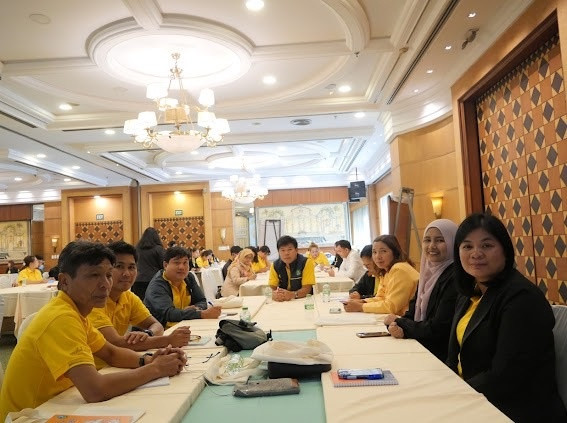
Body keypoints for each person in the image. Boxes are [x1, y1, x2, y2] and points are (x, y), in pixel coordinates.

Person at [0, 241, 186, 421]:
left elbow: (111, 353)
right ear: (64, 281)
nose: (105, 284)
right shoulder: (61, 317)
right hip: (30, 415)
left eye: (108, 275)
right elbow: (95, 390)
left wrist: (149, 360)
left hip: (58, 404)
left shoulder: (77, 312)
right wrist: (155, 369)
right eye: (94, 275)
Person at [446, 213, 567, 422]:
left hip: (512, 410)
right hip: (475, 399)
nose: (476, 253)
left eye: (486, 245)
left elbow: (506, 376)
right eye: (467, 246)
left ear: (505, 250)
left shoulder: (522, 298)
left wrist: (454, 394)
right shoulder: (470, 294)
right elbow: (454, 355)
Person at [88, 241, 192, 354]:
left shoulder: (129, 297)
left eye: (131, 267)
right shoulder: (94, 300)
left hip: (119, 360)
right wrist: (168, 340)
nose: (126, 274)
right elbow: (115, 343)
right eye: (119, 266)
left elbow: (156, 325)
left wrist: (147, 334)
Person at [383, 219, 458, 361]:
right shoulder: (427, 275)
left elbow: (438, 328)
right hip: (422, 346)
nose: (432, 246)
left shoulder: (455, 277)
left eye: (440, 240)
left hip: (442, 356)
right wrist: (395, 326)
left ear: (453, 242)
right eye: (427, 240)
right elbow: (411, 314)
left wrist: (401, 323)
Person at [144, 246, 221, 327]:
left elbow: (202, 301)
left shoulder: (189, 278)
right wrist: (200, 314)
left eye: (185, 263)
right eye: (176, 263)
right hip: (163, 330)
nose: (181, 267)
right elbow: (169, 314)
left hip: (186, 325)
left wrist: (196, 308)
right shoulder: (157, 286)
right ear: (165, 265)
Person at [344, 235, 419, 315]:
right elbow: (381, 297)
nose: (378, 256)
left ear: (395, 252)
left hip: (410, 317)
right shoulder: (386, 270)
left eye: (383, 251)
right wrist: (362, 301)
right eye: (374, 252)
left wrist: (361, 306)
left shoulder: (400, 269)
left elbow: (391, 306)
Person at [268, 235, 316, 302]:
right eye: (282, 250)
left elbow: (307, 288)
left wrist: (292, 295)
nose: (286, 253)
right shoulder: (275, 265)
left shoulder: (306, 262)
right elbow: (272, 287)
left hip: (303, 300)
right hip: (283, 302)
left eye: (290, 249)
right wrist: (275, 294)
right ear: (278, 252)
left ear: (296, 250)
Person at [133, 227, 165, 301]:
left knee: (138, 303)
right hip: (154, 280)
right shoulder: (158, 249)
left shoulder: (136, 249)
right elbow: (163, 265)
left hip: (138, 279)